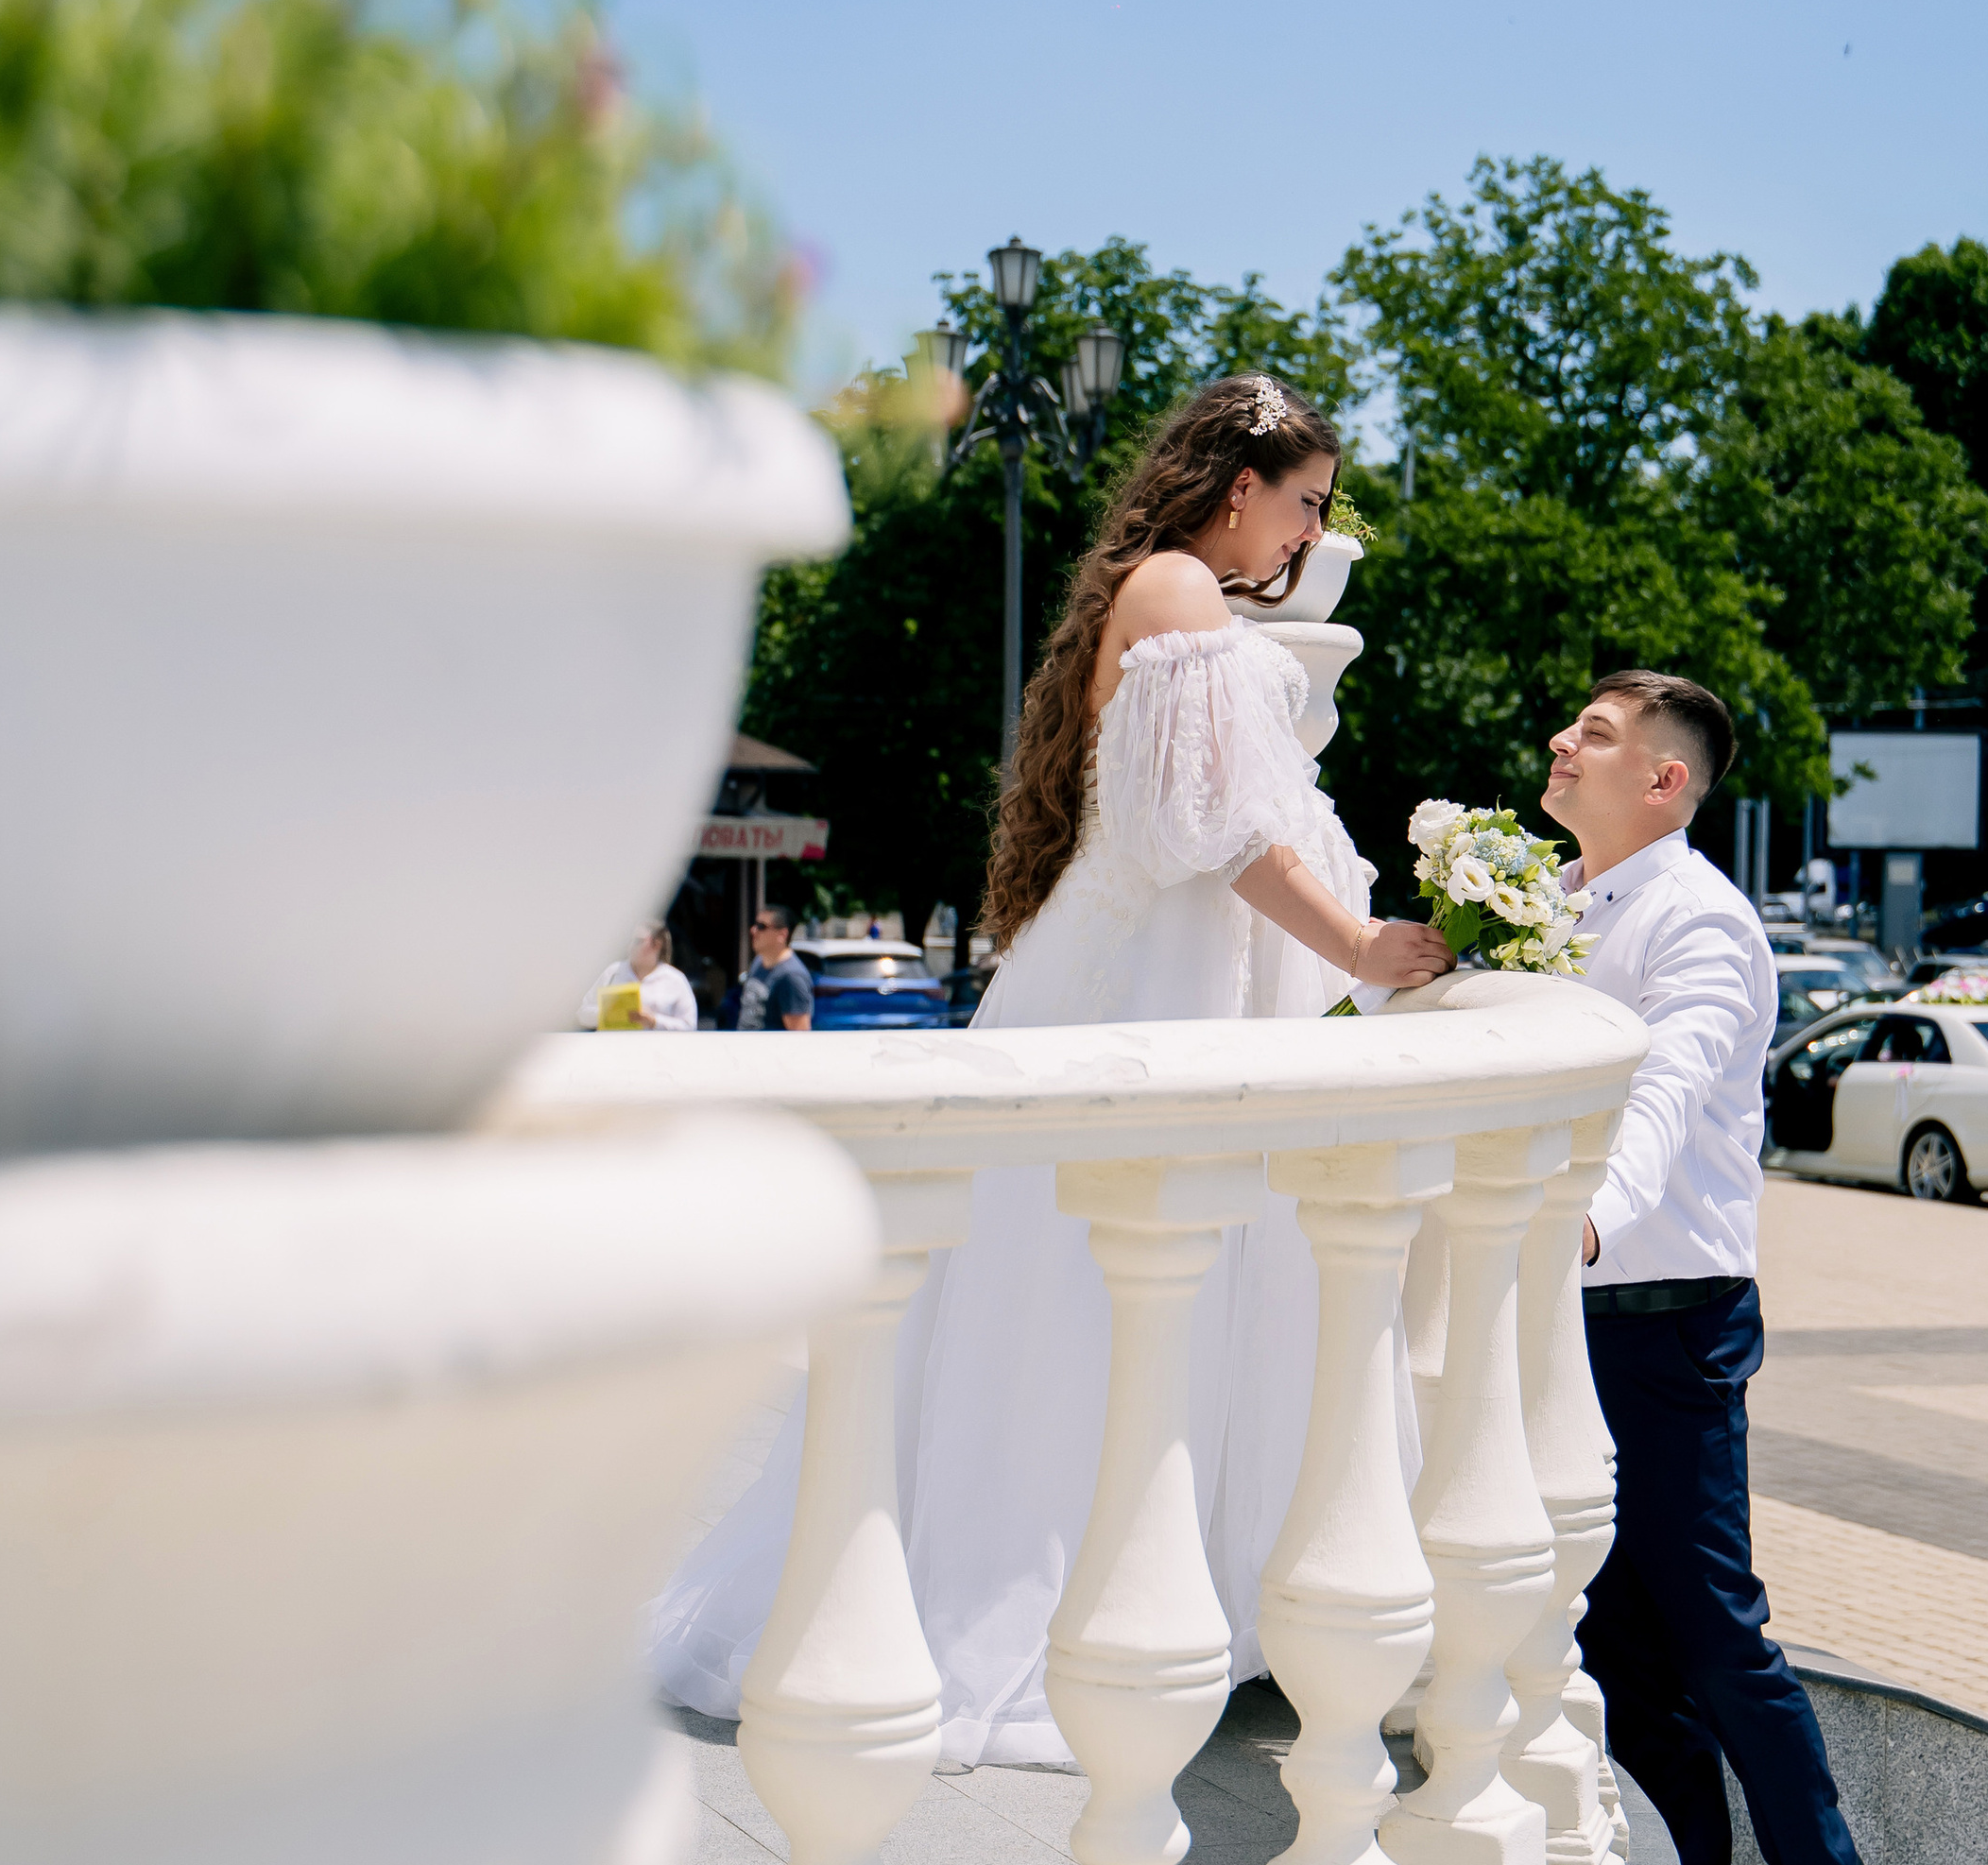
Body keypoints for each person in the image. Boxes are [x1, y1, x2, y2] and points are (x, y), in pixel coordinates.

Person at [649, 376, 1449, 1761]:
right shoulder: (1182, 595)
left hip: (1153, 967)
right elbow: (1227, 830)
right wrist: (1363, 945)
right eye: (1306, 503)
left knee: (1105, 1281)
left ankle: (1168, 1587)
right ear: (1238, 481)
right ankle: (1062, 1600)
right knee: (1091, 1286)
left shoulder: (1164, 594)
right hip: (1157, 985)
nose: (1311, 536)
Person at [1543, 668, 1867, 1865]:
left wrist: (1591, 1223)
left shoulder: (1703, 924)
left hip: (1666, 1307)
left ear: (1665, 780)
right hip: (1563, 1310)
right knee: (1616, 1632)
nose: (1561, 741)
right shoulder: (1551, 905)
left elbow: (1669, 1089)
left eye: (1598, 735)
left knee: (1711, 1625)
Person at [579, 920, 699, 1033]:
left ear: (657, 945)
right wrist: (611, 1013)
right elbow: (582, 1014)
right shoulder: (613, 972)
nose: (630, 946)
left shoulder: (674, 979)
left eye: (638, 941)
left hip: (657, 1052)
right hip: (615, 1049)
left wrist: (653, 1021)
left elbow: (689, 1026)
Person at [731, 906, 814, 1035]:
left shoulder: (792, 976)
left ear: (782, 934)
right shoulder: (758, 962)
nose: (753, 930)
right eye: (755, 925)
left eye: (761, 926)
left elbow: (799, 1035)